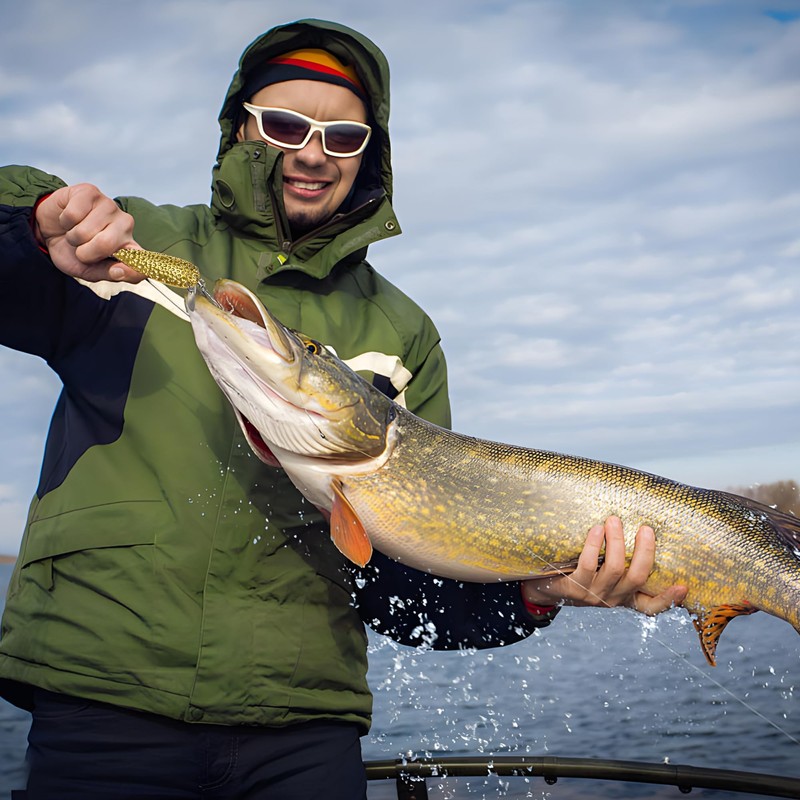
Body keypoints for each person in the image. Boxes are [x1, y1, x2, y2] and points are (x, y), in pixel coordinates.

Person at [0, 18, 686, 799]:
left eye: (344, 135)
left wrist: (535, 593)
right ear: (240, 130)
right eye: (286, 125)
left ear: (371, 154)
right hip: (103, 704)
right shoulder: (136, 244)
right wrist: (31, 225)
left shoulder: (403, 333)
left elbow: (410, 583)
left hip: (304, 724)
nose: (315, 152)